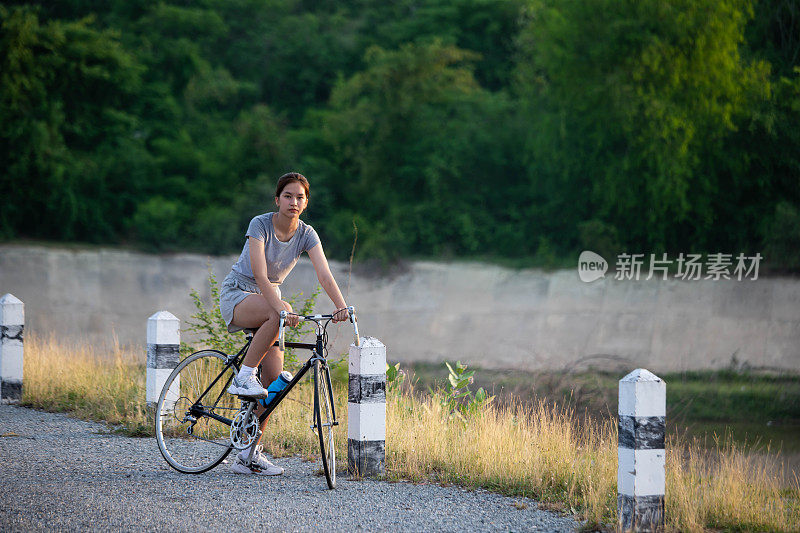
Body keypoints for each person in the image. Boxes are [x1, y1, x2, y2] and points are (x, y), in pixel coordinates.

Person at [219, 172, 349, 475]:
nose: (294, 202)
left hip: (268, 303)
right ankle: (243, 376)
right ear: (277, 200)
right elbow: (261, 276)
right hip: (239, 294)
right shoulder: (260, 224)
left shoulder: (307, 233)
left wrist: (341, 306)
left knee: (274, 387)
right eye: (288, 196)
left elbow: (325, 274)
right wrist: (280, 309)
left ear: (306, 202)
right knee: (281, 311)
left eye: (300, 197)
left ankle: (248, 455)